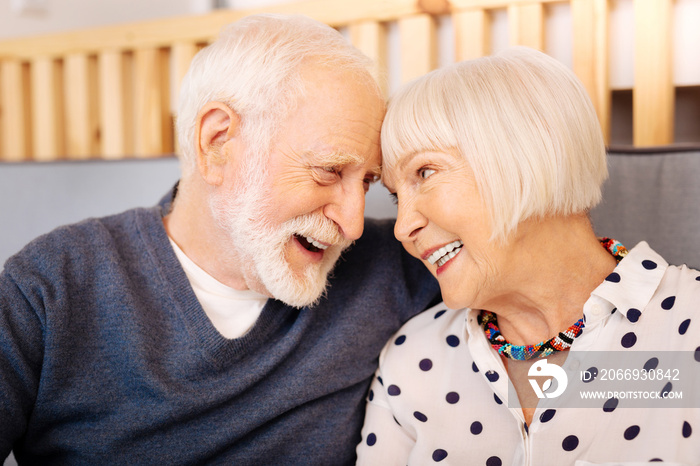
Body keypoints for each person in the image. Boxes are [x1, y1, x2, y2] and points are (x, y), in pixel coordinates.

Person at [0, 14, 440, 464]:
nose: (354, 224)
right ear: (217, 142)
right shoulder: (49, 289)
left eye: (366, 183)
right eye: (328, 171)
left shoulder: (394, 264)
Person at [357, 47, 700, 464]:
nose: (402, 227)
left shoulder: (690, 325)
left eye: (424, 173)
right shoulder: (411, 359)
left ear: (532, 151)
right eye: (395, 198)